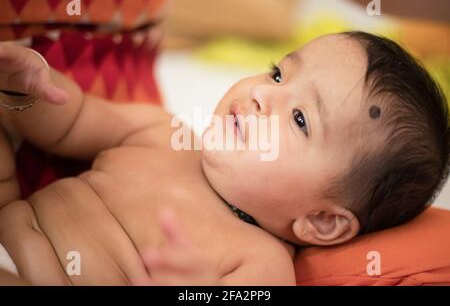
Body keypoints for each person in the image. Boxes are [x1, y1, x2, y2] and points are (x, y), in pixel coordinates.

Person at [0, 31, 448, 285]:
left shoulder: (258, 261)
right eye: (277, 72)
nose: (259, 93)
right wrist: (24, 89)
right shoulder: (162, 132)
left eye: (298, 118)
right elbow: (72, 120)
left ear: (323, 222)